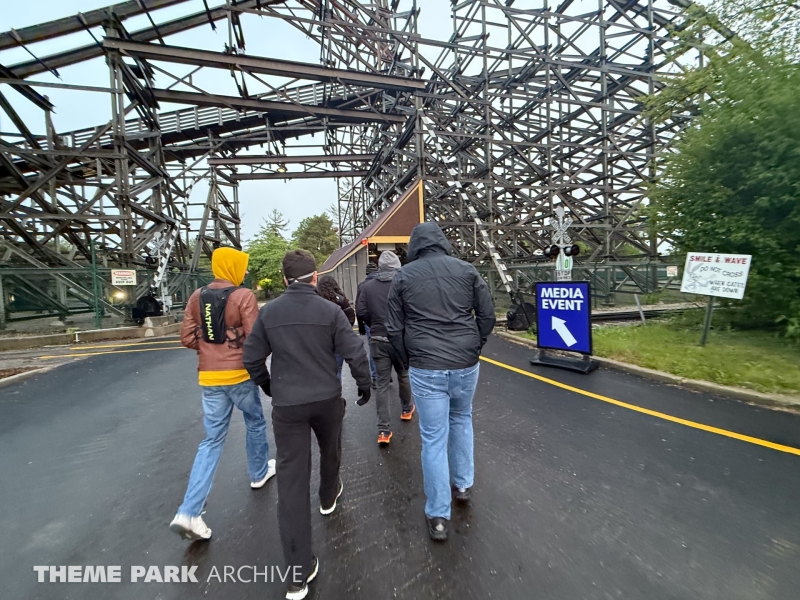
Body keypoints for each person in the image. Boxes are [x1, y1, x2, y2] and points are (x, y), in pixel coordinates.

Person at [243, 249, 371, 600]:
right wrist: (364, 384)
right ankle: (328, 495)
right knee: (331, 449)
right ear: (315, 277)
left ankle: (298, 573)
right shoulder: (330, 311)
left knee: (291, 482)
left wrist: (269, 386)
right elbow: (355, 351)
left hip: (288, 406)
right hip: (327, 398)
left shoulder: (269, 313)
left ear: (285, 279)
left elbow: (252, 357)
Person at [386, 223, 495, 542]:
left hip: (425, 365)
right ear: (442, 243)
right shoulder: (467, 270)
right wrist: (475, 346)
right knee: (462, 418)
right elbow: (487, 315)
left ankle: (438, 516)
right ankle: (463, 485)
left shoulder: (403, 277)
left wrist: (407, 360)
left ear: (415, 246)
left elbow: (393, 328)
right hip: (465, 363)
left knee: (433, 438)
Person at [170, 247, 274, 542]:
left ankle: (189, 511)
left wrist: (210, 346)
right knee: (255, 422)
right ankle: (258, 472)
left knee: (212, 440)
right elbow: (255, 338)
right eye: (242, 266)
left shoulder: (196, 296)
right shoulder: (243, 296)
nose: (245, 271)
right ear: (233, 267)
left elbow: (187, 337)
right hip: (239, 375)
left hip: (209, 377)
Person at [355, 251, 414, 446]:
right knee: (403, 376)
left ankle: (383, 430)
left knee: (381, 384)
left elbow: (361, 311)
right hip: (399, 339)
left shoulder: (367, 286)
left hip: (378, 338)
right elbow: (411, 310)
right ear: (397, 267)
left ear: (379, 267)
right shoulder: (404, 284)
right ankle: (406, 409)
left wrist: (375, 324)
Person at [316, 274, 356, 381]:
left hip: (321, 339)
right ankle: (337, 389)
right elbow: (350, 316)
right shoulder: (341, 300)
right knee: (337, 369)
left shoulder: (317, 300)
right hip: (338, 339)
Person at [356, 261, 379, 387]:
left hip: (370, 322)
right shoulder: (383, 283)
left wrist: (362, 324)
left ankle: (375, 376)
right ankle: (385, 373)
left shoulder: (362, 286)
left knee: (373, 349)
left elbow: (359, 307)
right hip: (384, 321)